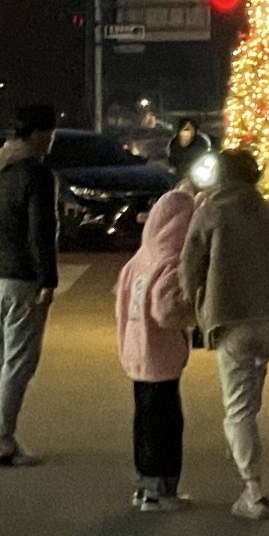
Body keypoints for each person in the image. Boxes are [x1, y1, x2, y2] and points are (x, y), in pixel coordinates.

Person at [180, 148, 269, 521]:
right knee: (251, 392)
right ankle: (246, 459)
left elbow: (190, 265)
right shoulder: (268, 211)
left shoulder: (212, 208)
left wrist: (194, 304)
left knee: (238, 409)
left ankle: (253, 489)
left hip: (233, 316)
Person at [0, 103, 59, 466]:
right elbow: (41, 232)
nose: (51, 140)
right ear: (36, 134)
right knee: (18, 362)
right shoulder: (35, 175)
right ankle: (2, 442)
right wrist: (47, 279)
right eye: (49, 133)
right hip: (22, 279)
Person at [116, 187, 196, 512]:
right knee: (166, 421)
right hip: (160, 354)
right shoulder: (171, 262)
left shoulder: (139, 259)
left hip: (135, 352)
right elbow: (166, 311)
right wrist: (192, 314)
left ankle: (144, 484)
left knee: (144, 419)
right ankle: (161, 489)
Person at [167, 119, 213, 191]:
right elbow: (172, 160)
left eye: (189, 129)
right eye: (185, 129)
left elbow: (207, 158)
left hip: (198, 176)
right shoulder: (174, 143)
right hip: (179, 175)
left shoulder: (202, 142)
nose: (187, 133)